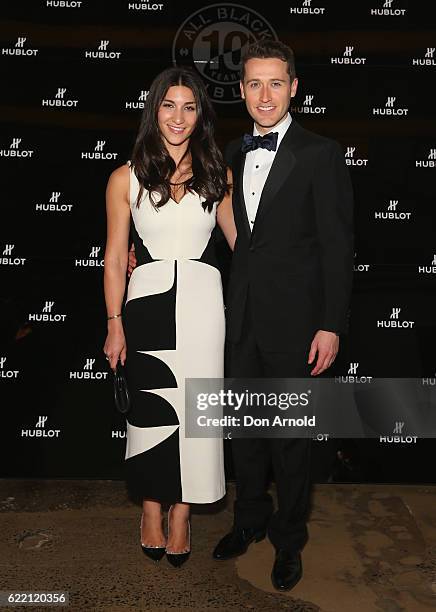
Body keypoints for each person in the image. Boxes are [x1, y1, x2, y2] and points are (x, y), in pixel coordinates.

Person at [211, 40, 354, 591]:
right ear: (242, 91)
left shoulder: (320, 152)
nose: (264, 95)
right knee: (244, 432)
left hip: (298, 323)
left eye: (275, 83)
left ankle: (288, 539)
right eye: (254, 84)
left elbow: (339, 247)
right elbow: (226, 234)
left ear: (294, 88)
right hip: (241, 315)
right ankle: (249, 520)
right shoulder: (232, 153)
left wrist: (331, 324)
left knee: (290, 439)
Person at [103, 66, 236, 568]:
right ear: (154, 109)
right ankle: (152, 510)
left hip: (203, 301)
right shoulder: (125, 176)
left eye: (189, 106)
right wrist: (115, 322)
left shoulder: (218, 173)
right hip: (148, 299)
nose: (178, 117)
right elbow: (116, 256)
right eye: (168, 105)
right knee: (154, 410)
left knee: (198, 414)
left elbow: (243, 245)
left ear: (200, 114)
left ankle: (183, 512)